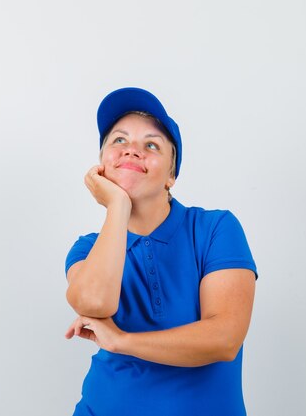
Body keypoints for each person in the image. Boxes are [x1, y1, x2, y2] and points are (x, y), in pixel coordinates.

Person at [64, 87, 257, 416]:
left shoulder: (215, 229)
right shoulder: (86, 249)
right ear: (101, 167)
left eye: (150, 145)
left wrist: (122, 341)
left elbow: (224, 338)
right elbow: (95, 302)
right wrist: (117, 205)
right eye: (119, 141)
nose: (132, 151)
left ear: (171, 175)